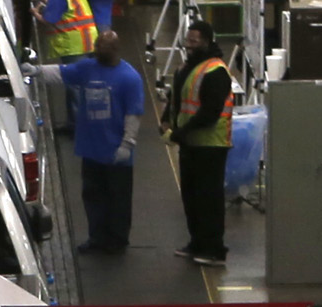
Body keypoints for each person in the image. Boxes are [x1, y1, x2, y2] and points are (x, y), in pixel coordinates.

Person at [53, 30, 149, 255]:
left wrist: (127, 143)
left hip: (115, 151)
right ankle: (97, 236)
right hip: (92, 149)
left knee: (118, 198)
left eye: (102, 47)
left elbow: (133, 114)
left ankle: (117, 239)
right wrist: (35, 71)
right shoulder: (88, 68)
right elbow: (60, 73)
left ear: (115, 49)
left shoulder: (129, 78)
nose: (97, 51)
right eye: (97, 46)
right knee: (93, 195)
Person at [164, 20, 237, 266]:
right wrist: (167, 121)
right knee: (191, 196)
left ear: (206, 41)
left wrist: (181, 132)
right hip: (190, 142)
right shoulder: (187, 67)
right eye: (188, 40)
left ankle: (214, 249)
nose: (189, 44)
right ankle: (197, 242)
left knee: (209, 198)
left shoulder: (216, 71)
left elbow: (210, 112)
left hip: (211, 144)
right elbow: (177, 98)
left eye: (194, 41)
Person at [35, 0, 94, 135]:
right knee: (76, 84)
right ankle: (74, 123)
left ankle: (79, 128)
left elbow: (50, 19)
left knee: (74, 86)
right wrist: (48, 2)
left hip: (73, 45)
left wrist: (35, 12)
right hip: (87, 42)